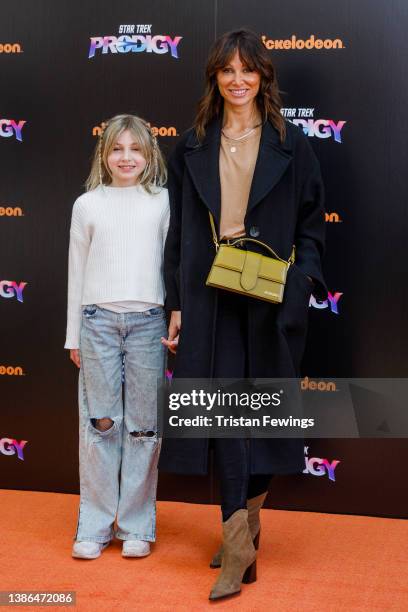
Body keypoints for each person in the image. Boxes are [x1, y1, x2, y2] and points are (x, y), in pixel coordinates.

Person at [160, 29, 326, 600]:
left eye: (247, 70)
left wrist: (302, 282)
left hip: (271, 295)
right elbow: (178, 233)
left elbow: (311, 224)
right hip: (209, 295)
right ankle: (236, 548)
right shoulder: (191, 145)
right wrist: (175, 304)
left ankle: (247, 527)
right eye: (227, 70)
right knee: (227, 419)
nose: (237, 80)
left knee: (266, 418)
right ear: (215, 78)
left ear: (263, 76)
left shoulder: (292, 143)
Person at [65, 114, 169, 560]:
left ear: (149, 155)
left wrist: (175, 319)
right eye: (117, 149)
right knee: (100, 425)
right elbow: (77, 272)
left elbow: (174, 266)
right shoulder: (87, 204)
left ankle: (135, 527)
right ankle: (94, 525)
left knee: (145, 427)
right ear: (103, 154)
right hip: (97, 324)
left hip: (150, 322)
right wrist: (73, 336)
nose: (126, 158)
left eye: (136, 149)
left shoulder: (163, 201)